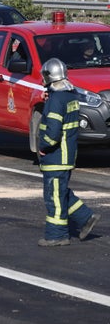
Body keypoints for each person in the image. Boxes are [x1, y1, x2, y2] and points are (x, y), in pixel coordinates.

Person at [36, 58, 100, 246]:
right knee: (61, 191)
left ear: (49, 75)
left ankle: (56, 235)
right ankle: (86, 218)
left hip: (56, 156)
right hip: (68, 155)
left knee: (53, 196)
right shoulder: (70, 95)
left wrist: (43, 147)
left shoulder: (56, 100)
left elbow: (53, 133)